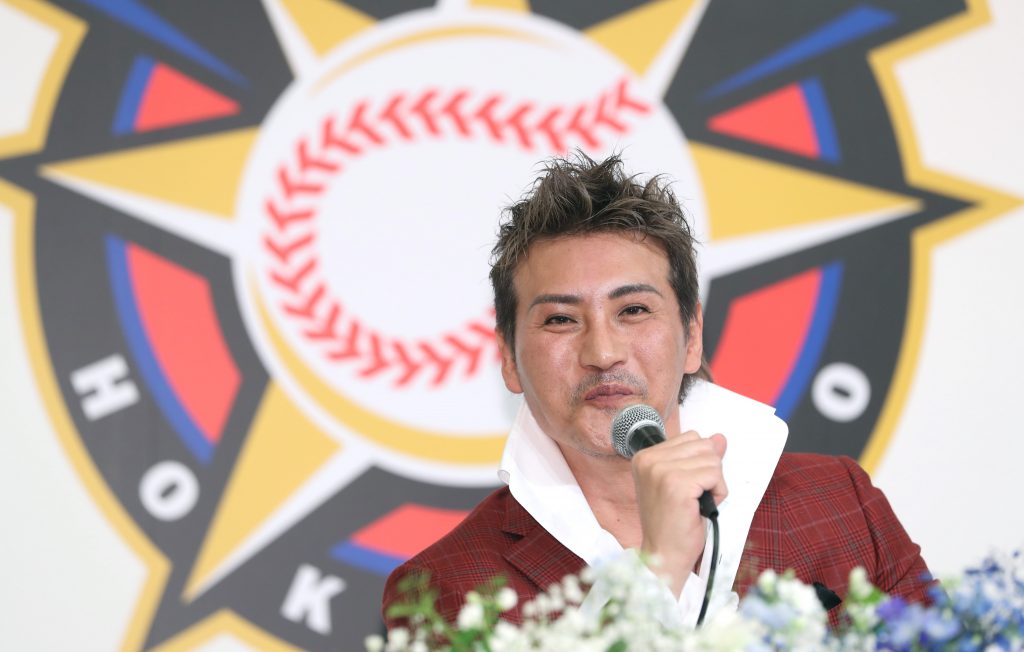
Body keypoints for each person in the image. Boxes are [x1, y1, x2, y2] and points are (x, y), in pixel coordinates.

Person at [382, 153, 931, 629]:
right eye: (560, 320)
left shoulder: (839, 500)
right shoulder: (443, 590)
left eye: (634, 310)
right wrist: (660, 566)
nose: (602, 352)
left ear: (692, 337)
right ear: (508, 358)